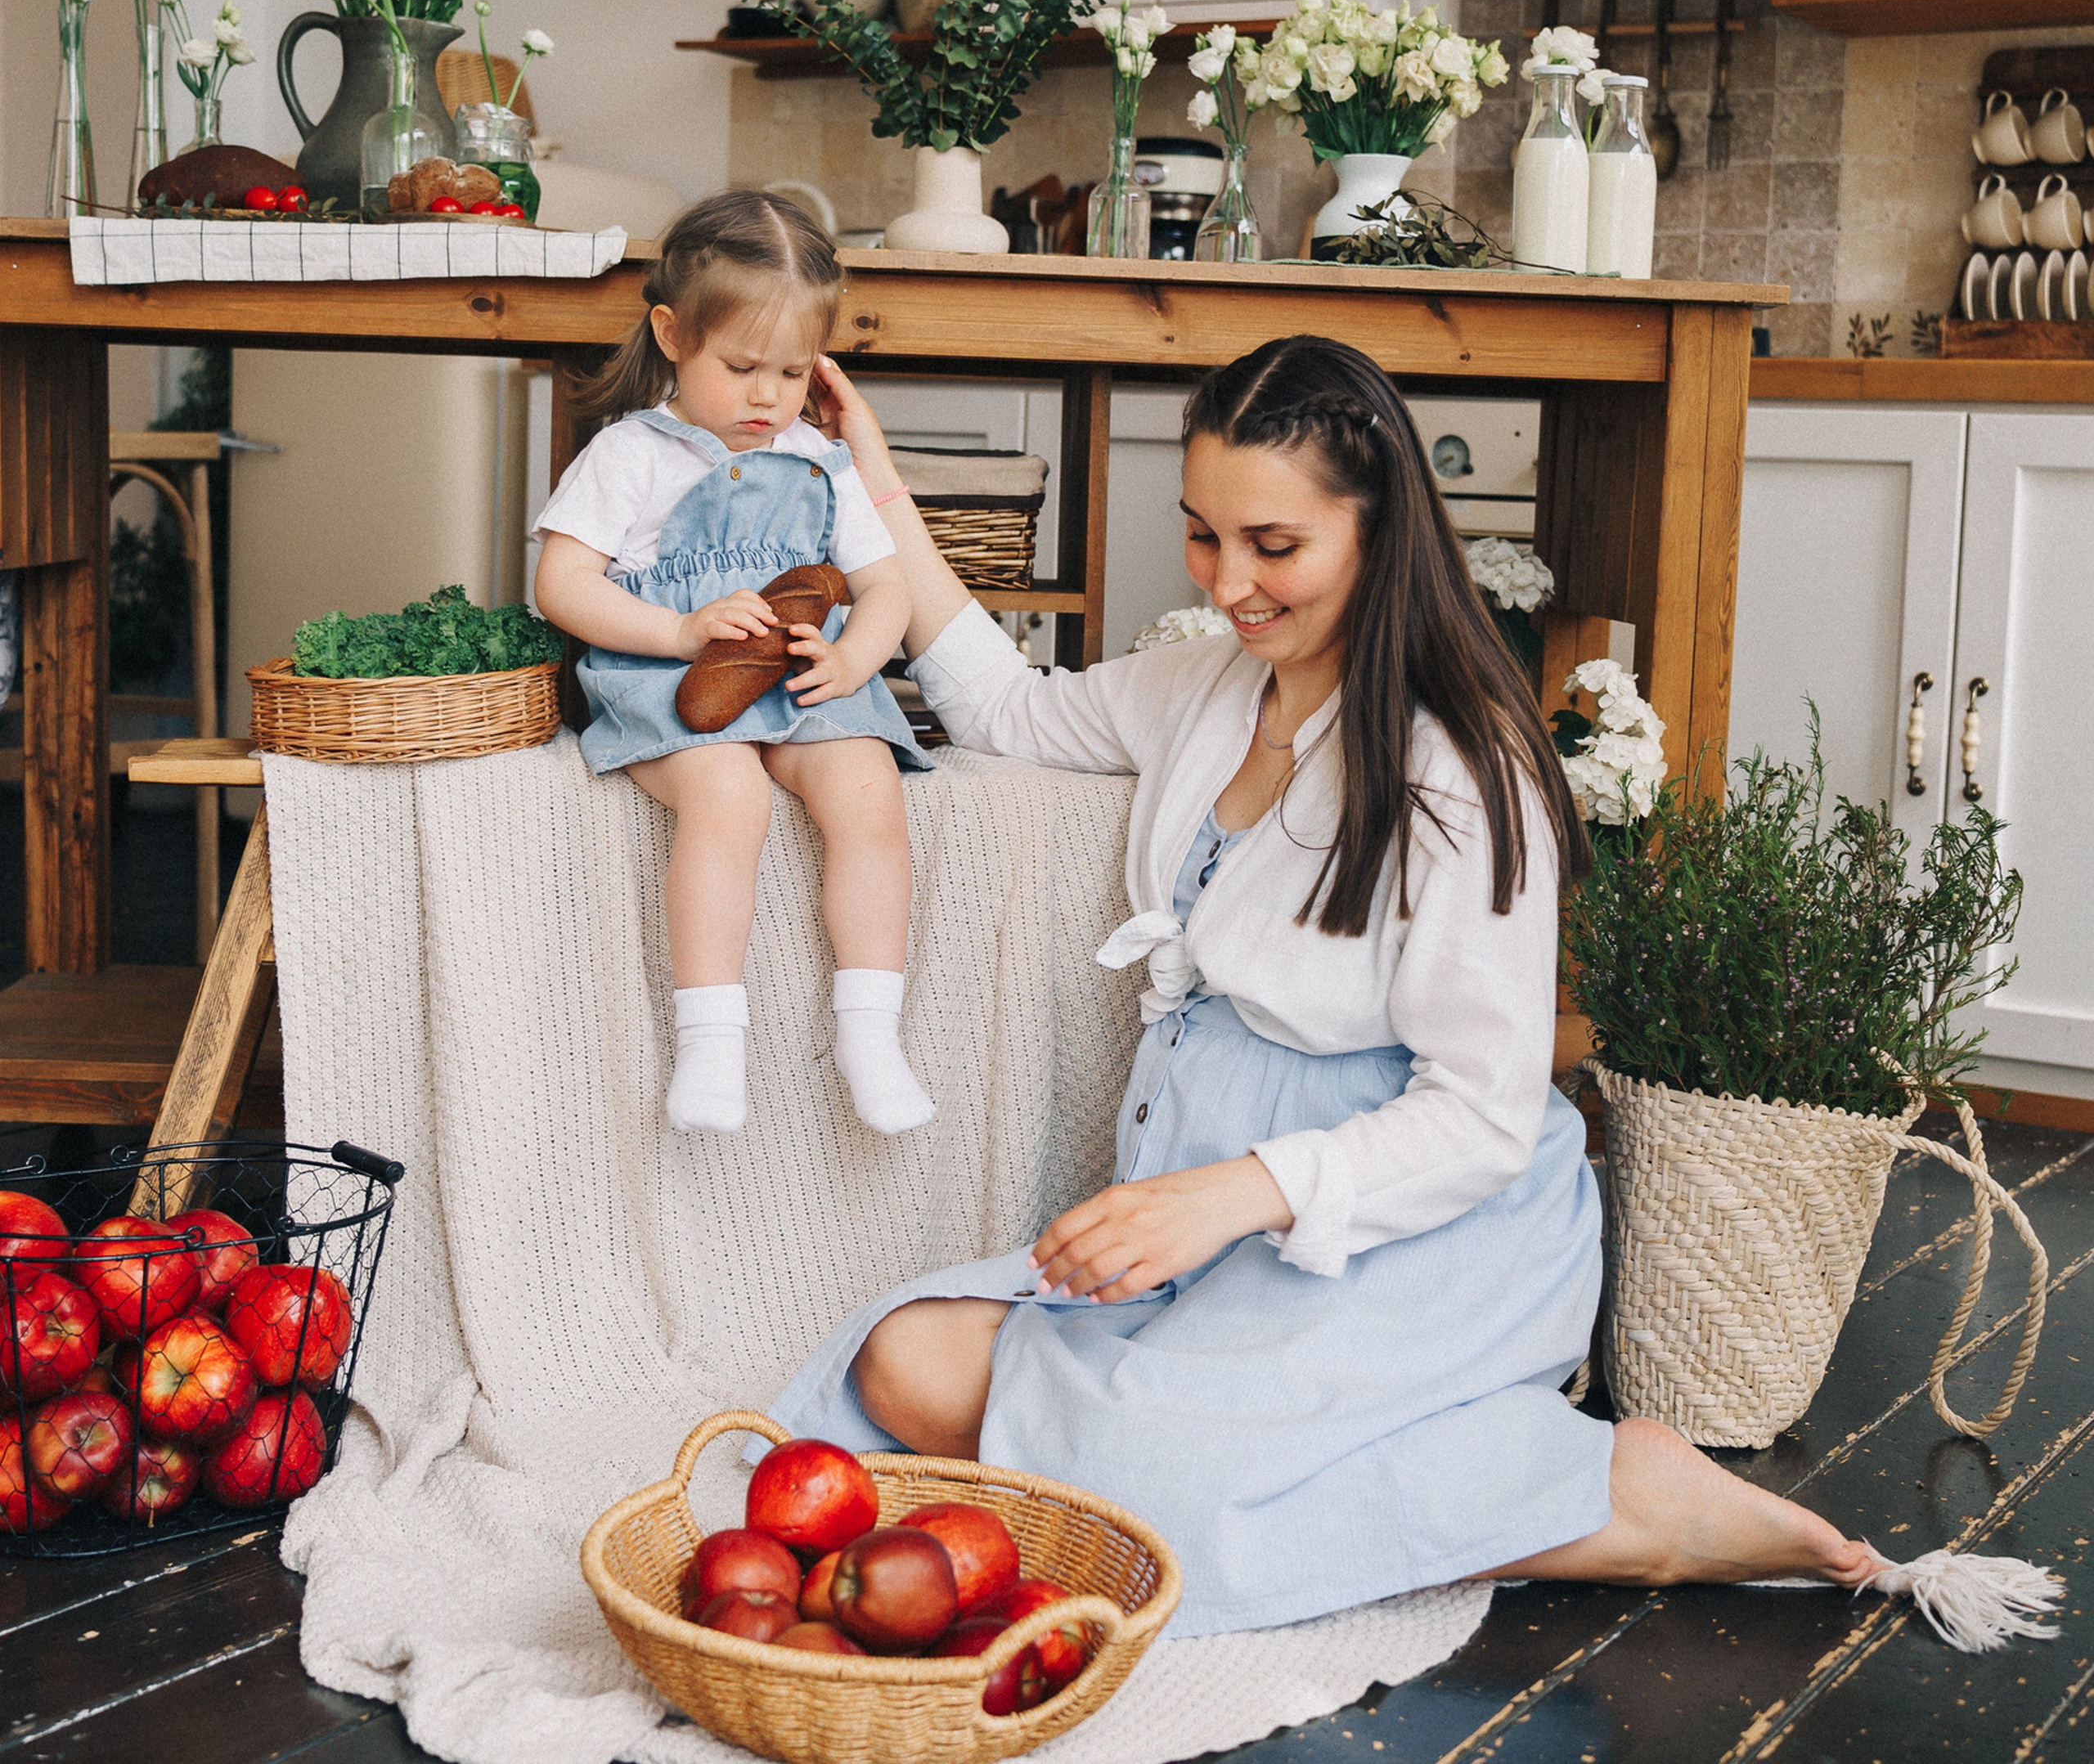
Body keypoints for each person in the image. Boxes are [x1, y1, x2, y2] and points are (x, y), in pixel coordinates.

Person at [767, 333, 1883, 1636]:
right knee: (907, 1362)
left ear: (1377, 528)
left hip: (1410, 1242)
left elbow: (1478, 1114)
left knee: (1147, 1516)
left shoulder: (1462, 770)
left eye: (1273, 546)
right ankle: (1455, 1464)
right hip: (1210, 1217)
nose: (1229, 583)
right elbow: (1009, 708)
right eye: (1201, 536)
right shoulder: (1203, 688)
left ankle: (1617, 1504)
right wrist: (876, 481)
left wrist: (1236, 1195)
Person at [533, 191, 935, 1138]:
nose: (767, 396)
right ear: (673, 334)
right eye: (742, 366)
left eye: (792, 372)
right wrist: (677, 633)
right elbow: (562, 584)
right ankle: (711, 1038)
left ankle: (868, 1031)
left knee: (869, 787)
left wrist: (851, 658)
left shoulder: (821, 462)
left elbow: (888, 590)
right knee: (730, 795)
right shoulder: (630, 454)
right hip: (670, 684)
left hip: (798, 680)